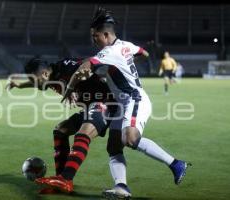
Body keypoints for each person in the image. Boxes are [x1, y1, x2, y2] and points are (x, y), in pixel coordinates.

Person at [38, 7, 191, 199]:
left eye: (95, 36)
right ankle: (122, 187)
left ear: (106, 34)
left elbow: (84, 68)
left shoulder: (109, 52)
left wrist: (69, 90)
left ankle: (176, 164)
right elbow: (142, 52)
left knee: (131, 138)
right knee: (114, 147)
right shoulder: (125, 45)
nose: (94, 40)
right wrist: (130, 60)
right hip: (120, 104)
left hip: (134, 99)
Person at [7, 57, 128, 195]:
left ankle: (66, 178)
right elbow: (36, 83)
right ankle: (60, 179)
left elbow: (86, 66)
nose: (35, 83)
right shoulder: (48, 78)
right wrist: (18, 85)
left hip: (106, 102)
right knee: (60, 130)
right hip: (90, 107)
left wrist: (73, 85)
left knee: (83, 135)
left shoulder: (66, 67)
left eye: (34, 79)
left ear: (45, 74)